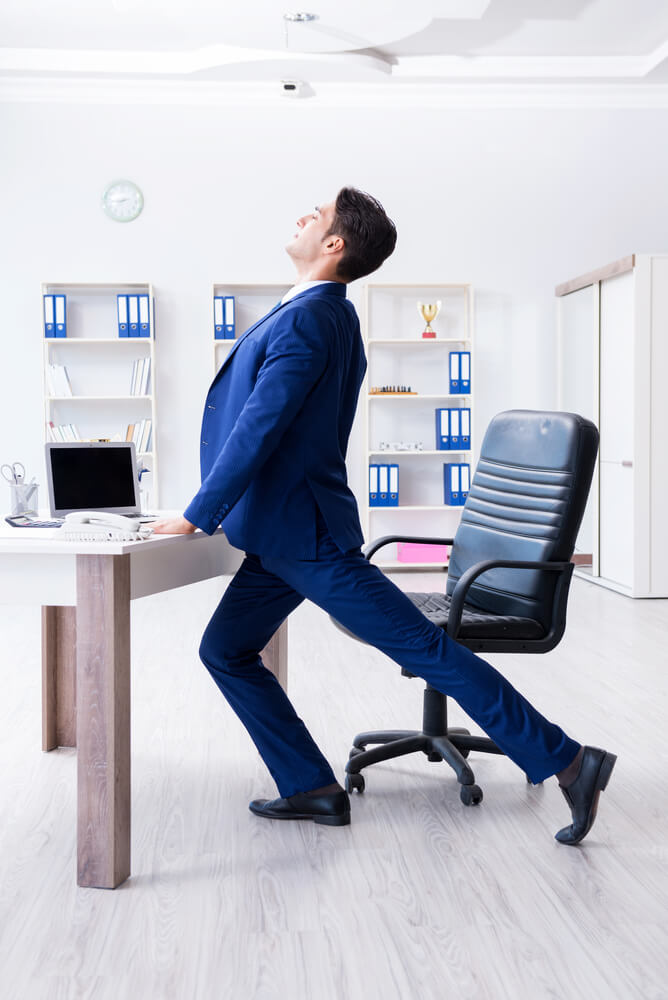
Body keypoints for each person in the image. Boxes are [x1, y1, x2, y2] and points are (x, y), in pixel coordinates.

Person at [152, 187, 616, 844]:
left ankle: (570, 761)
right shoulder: (316, 313)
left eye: (315, 215)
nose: (301, 218)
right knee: (226, 649)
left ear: (335, 244)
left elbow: (259, 428)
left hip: (305, 537)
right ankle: (311, 787)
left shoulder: (313, 319)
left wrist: (199, 515)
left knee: (427, 650)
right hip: (284, 534)